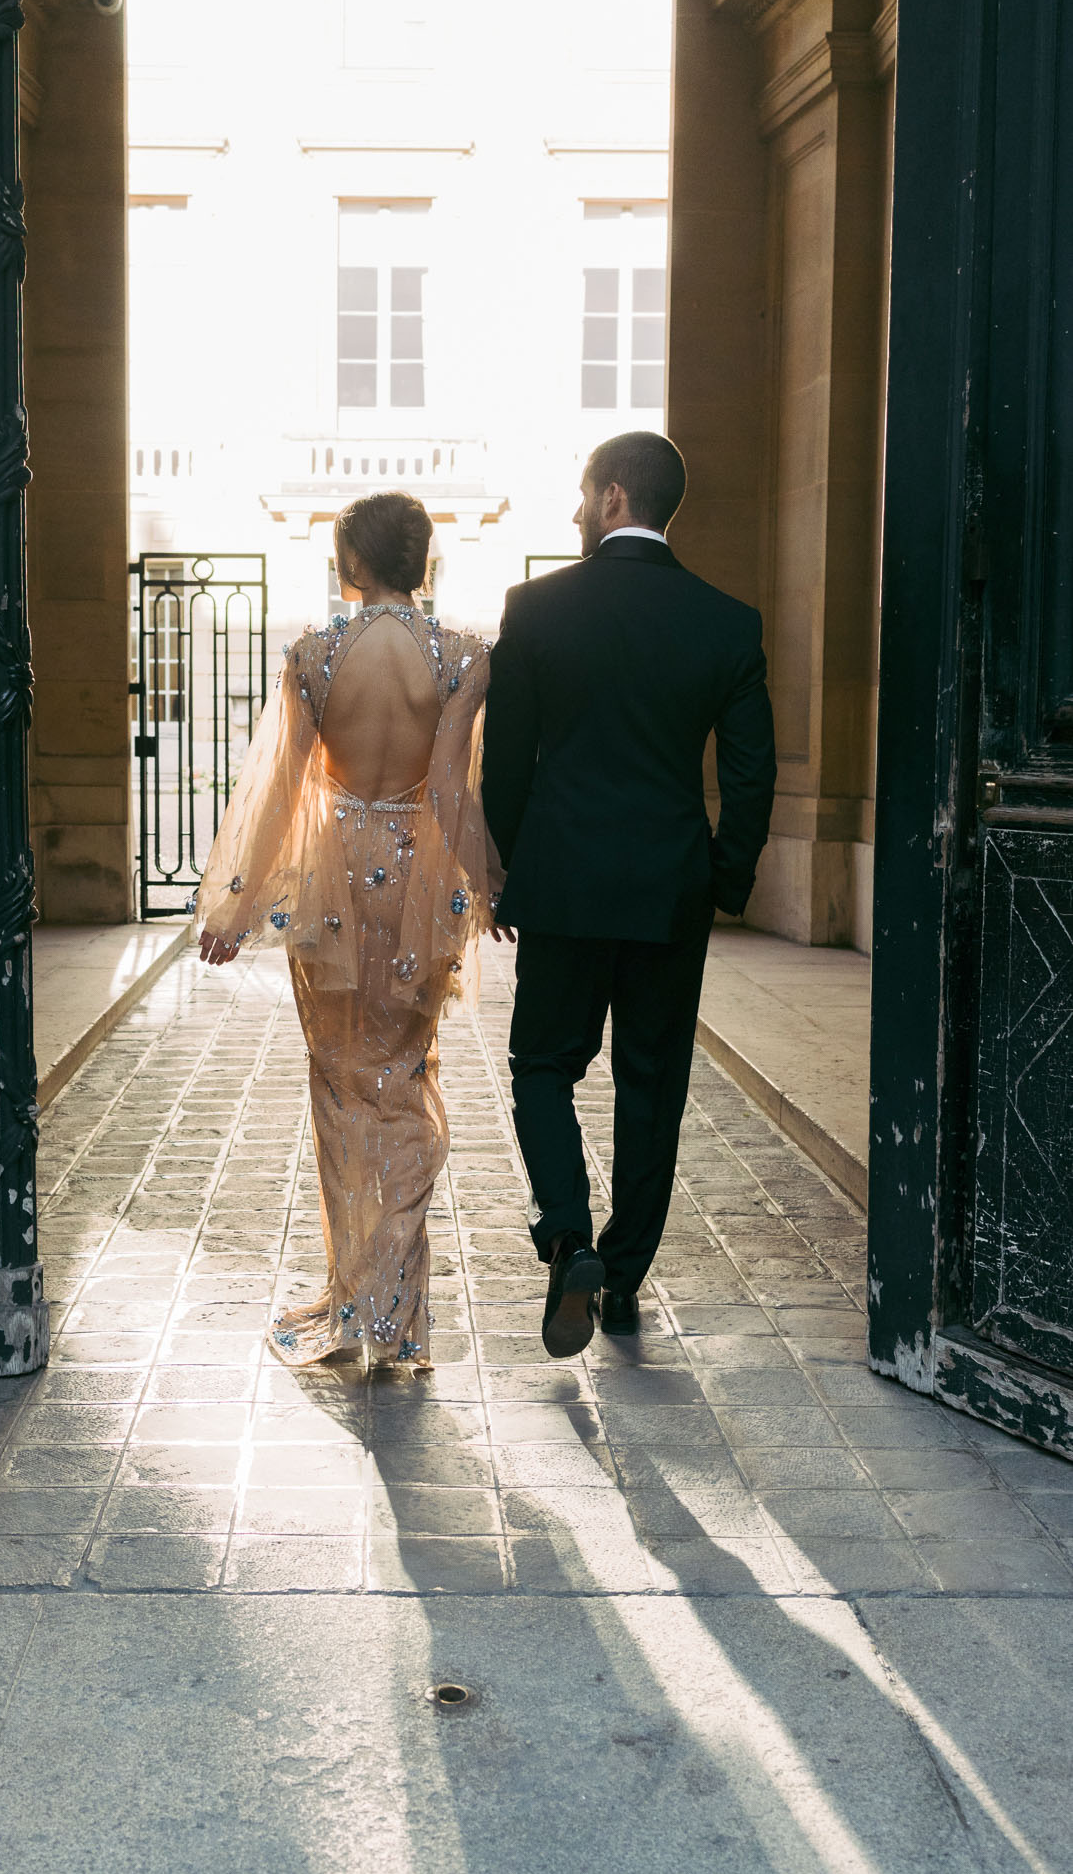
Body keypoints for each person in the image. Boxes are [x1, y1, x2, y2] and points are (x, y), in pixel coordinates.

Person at [482, 431, 776, 1358]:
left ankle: (566, 1237)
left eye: (580, 494)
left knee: (541, 1068)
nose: (574, 511)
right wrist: (724, 880)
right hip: (667, 890)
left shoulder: (535, 609)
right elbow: (751, 771)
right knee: (653, 1086)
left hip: (564, 882)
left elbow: (505, 765)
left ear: (613, 497)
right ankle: (621, 1275)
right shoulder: (726, 622)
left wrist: (510, 871)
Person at [195, 491, 504, 1371]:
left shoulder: (312, 655)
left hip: (332, 885)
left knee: (339, 1087)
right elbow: (450, 790)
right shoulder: (461, 658)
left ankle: (355, 1300)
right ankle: (392, 1311)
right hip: (417, 875)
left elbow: (283, 786)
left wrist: (235, 903)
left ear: (351, 565)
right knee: (403, 1079)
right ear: (422, 563)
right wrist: (485, 885)